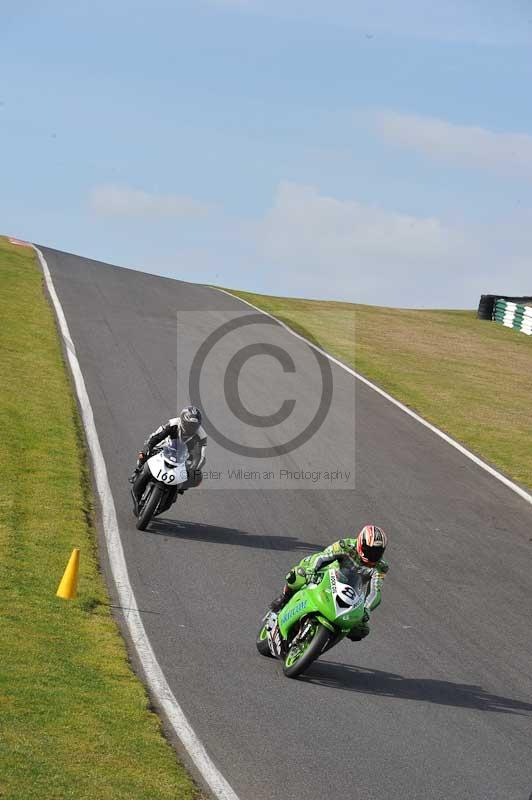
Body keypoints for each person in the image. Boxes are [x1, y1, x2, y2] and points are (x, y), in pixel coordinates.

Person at [269, 525, 388, 641]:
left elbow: (375, 591)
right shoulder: (345, 545)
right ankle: (284, 597)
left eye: (377, 552)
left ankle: (326, 638)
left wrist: (366, 609)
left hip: (349, 591)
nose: (373, 555)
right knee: (298, 575)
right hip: (326, 574)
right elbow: (323, 557)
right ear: (361, 543)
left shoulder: (381, 567)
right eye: (370, 550)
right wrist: (311, 570)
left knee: (361, 629)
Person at [130, 406, 207, 509]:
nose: (191, 428)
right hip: (164, 447)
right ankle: (137, 470)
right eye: (189, 425)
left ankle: (178, 488)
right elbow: (157, 436)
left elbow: (200, 456)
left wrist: (193, 468)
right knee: (144, 454)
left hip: (183, 455)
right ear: (183, 421)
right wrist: (148, 447)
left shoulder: (201, 436)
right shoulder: (173, 424)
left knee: (197, 476)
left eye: (194, 426)